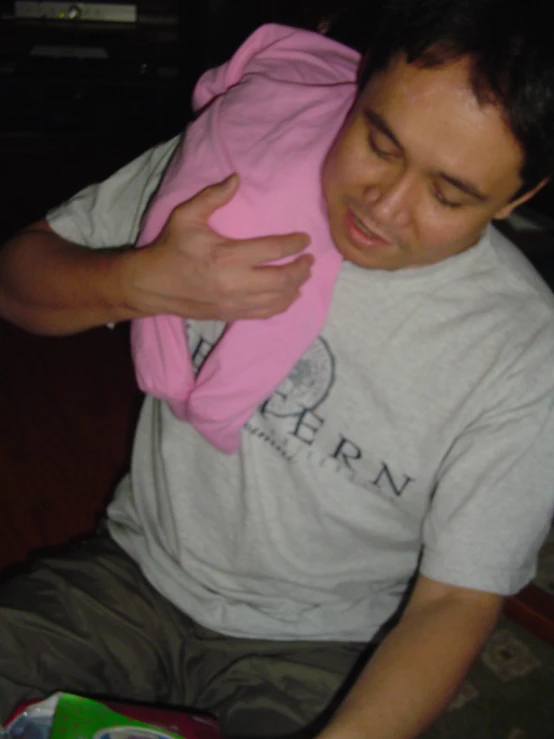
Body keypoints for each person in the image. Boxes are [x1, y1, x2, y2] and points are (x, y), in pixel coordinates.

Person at [1, 1, 554, 737]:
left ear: (519, 198)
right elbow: (17, 283)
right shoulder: (235, 156)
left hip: (319, 645)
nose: (384, 207)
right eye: (378, 142)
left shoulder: (526, 355)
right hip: (133, 570)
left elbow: (454, 602)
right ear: (358, 85)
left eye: (448, 194)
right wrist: (141, 279)